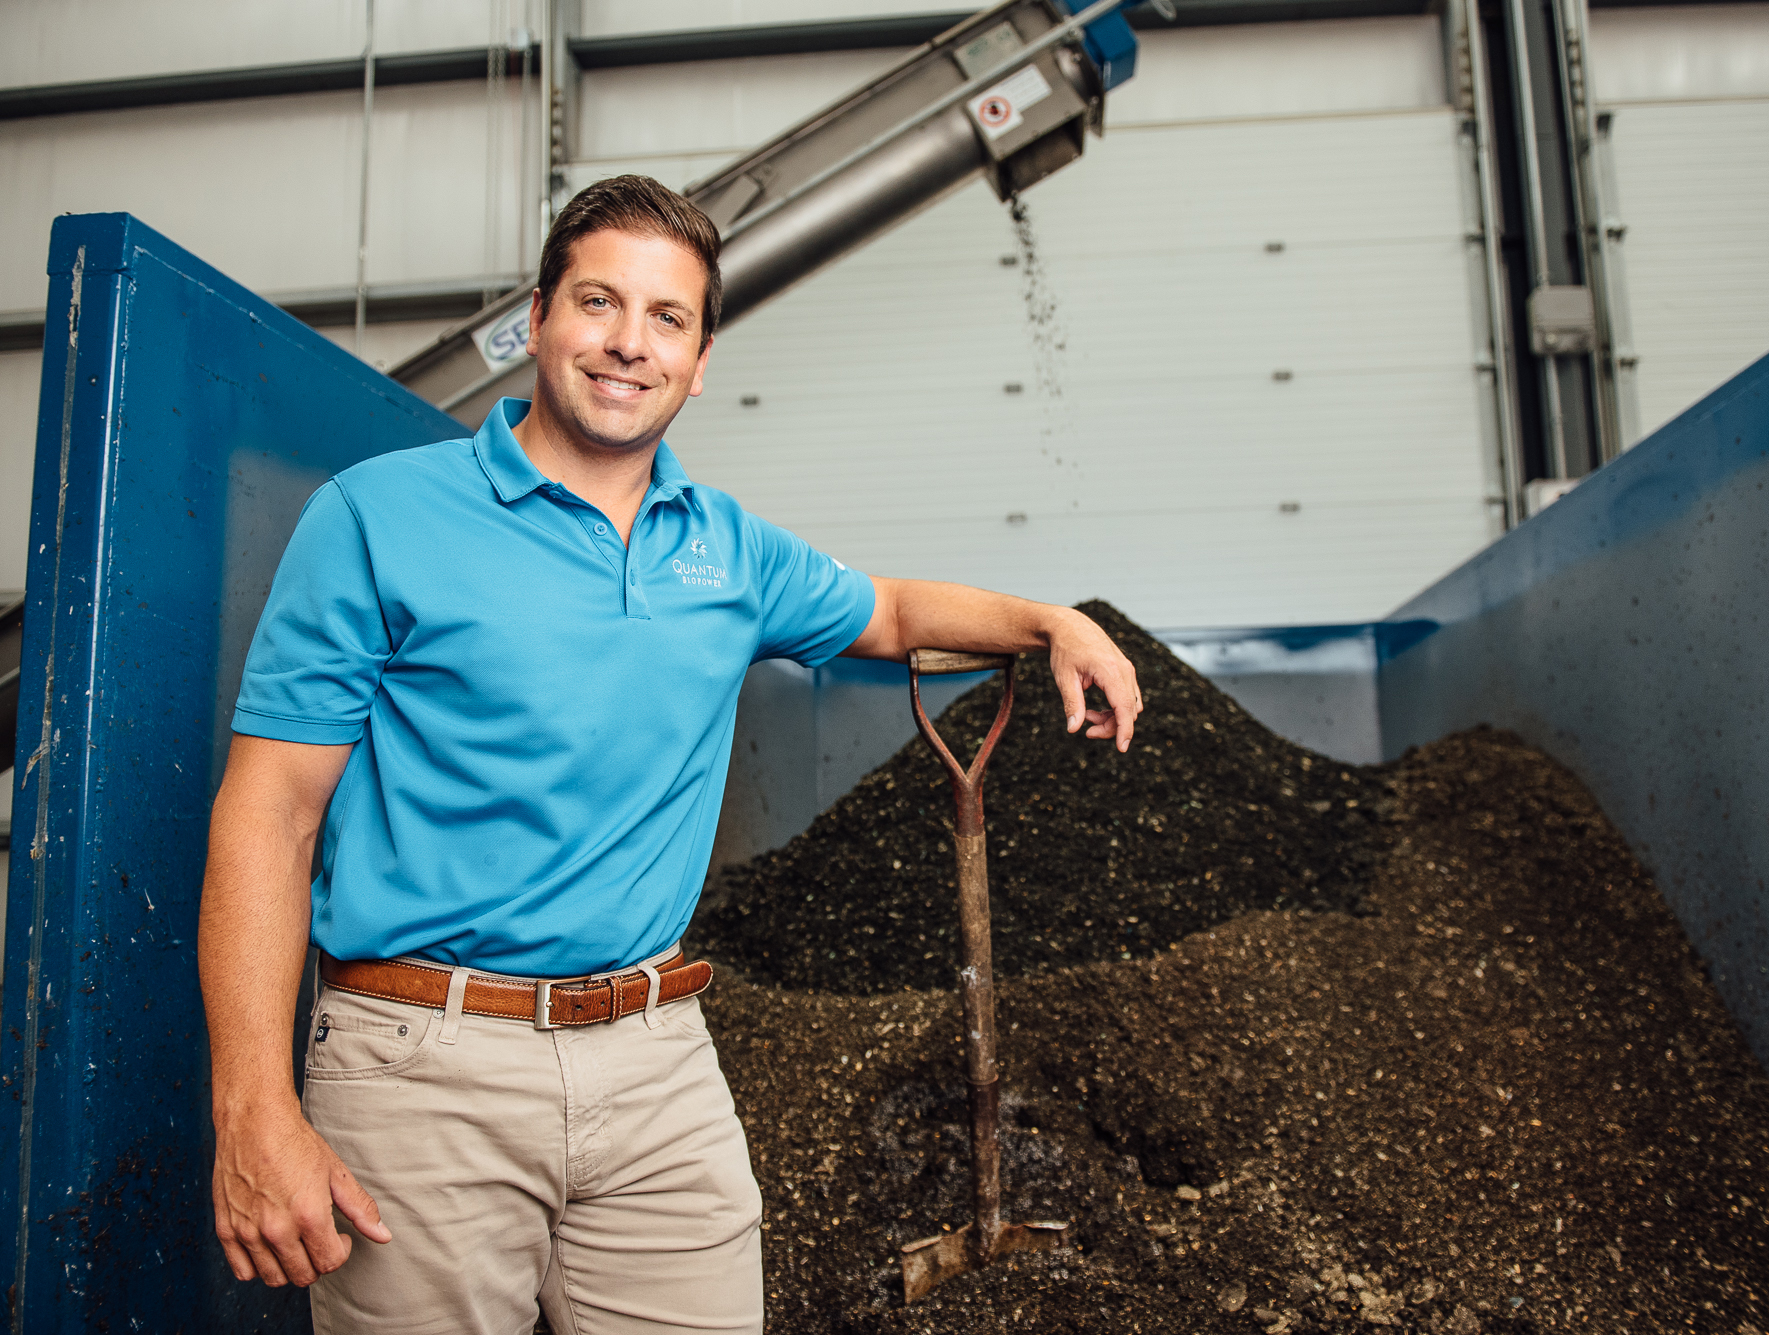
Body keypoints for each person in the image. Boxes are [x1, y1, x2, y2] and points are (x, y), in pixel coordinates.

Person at [199, 174, 1142, 1334]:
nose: (627, 344)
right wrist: (251, 1110)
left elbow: (890, 613)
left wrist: (1053, 622)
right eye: (599, 303)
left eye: (667, 319)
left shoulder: (728, 551)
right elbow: (269, 816)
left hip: (655, 1065)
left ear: (699, 360)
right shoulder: (374, 518)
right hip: (422, 1066)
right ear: (537, 315)